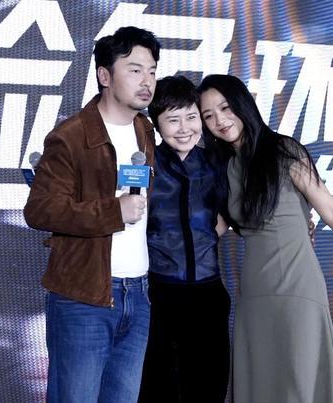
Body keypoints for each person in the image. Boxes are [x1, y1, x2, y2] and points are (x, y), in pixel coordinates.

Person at [197, 74, 333, 403]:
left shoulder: (282, 151)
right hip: (253, 293)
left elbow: (332, 211)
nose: (219, 120)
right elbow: (213, 228)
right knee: (260, 385)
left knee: (299, 385)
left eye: (225, 108)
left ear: (242, 105)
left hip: (297, 286)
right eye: (208, 115)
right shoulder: (222, 167)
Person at [23, 26, 160, 402]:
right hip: (84, 296)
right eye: (135, 70)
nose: (147, 81)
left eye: (152, 71)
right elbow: (40, 210)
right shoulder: (70, 136)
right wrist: (114, 211)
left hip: (138, 294)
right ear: (104, 75)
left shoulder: (144, 129)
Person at [138, 75, 231, 403]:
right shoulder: (147, 165)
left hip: (208, 293)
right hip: (158, 294)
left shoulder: (216, 163)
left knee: (207, 389)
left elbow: (231, 215)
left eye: (191, 117)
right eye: (172, 119)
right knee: (156, 390)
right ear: (156, 123)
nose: (184, 128)